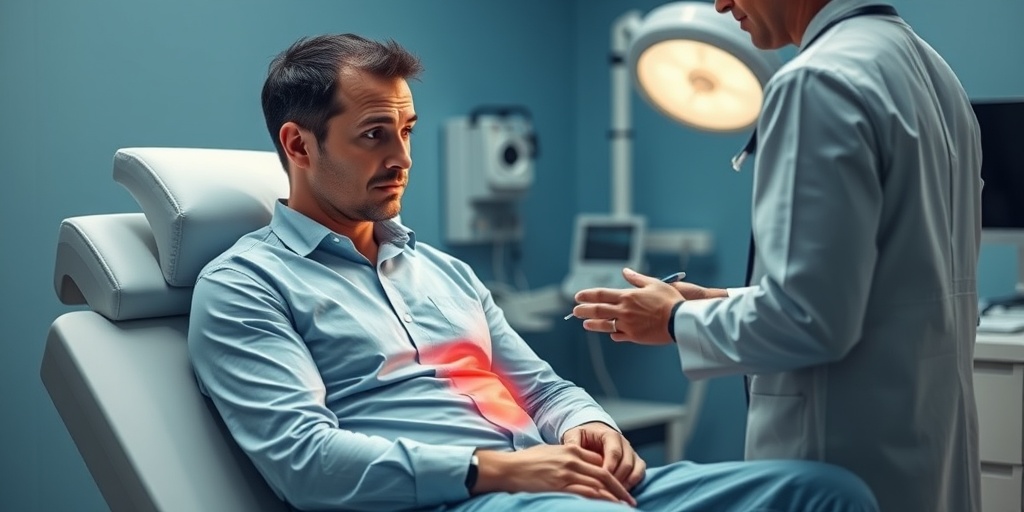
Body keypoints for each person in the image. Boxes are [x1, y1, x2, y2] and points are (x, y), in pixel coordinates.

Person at [187, 33, 879, 512]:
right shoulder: (246, 287)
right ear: (297, 144)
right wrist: (500, 469)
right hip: (457, 499)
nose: (401, 155)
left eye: (408, 129)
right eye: (374, 134)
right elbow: (306, 461)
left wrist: (592, 427)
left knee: (823, 493)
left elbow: (544, 390)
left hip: (551, 484)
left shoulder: (445, 273)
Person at [571, 1, 982, 511]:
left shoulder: (818, 82)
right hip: (924, 448)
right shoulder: (938, 78)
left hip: (841, 457)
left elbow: (810, 319)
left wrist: (676, 319)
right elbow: (884, 284)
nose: (720, 3)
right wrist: (721, 299)